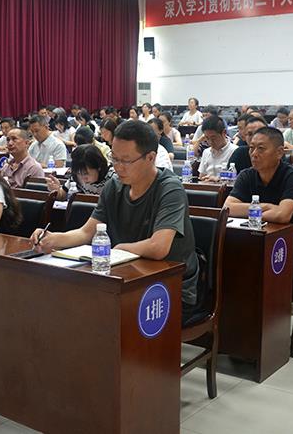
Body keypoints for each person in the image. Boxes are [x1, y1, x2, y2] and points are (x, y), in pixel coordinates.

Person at [31, 120, 200, 322]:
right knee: (66, 303)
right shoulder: (114, 186)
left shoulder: (170, 189)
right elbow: (87, 232)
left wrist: (119, 249)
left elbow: (158, 247)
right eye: (114, 158)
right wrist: (53, 239)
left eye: (126, 161)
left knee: (96, 316)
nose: (118, 167)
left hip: (169, 287)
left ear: (150, 158)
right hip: (125, 277)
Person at [224, 127, 293, 282]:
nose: (254, 154)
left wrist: (248, 210)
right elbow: (228, 208)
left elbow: (282, 215)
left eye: (261, 148)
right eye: (251, 148)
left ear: (279, 152)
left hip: (291, 250)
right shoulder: (246, 175)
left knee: (259, 270)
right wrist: (265, 207)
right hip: (256, 245)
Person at [46, 144, 115, 200]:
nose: (83, 178)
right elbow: (62, 196)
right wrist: (57, 190)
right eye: (79, 173)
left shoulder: (113, 177)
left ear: (98, 167)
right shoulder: (76, 176)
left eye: (86, 174)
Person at [197, 116, 238, 181]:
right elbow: (201, 176)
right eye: (207, 138)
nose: (210, 142)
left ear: (224, 133)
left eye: (213, 138)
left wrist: (218, 179)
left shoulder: (235, 151)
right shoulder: (206, 152)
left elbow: (239, 180)